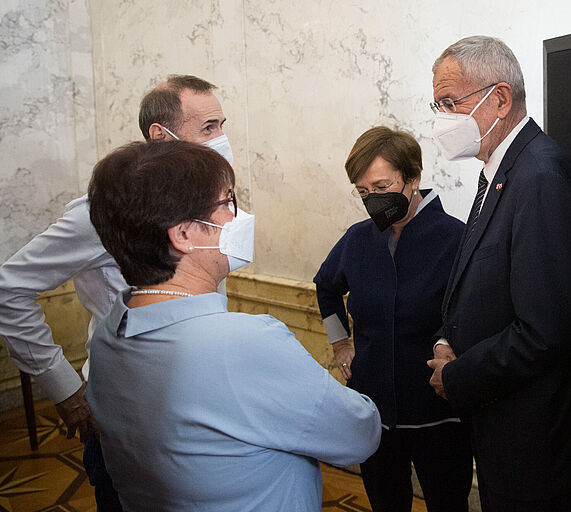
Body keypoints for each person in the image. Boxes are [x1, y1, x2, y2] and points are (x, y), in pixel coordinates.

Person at [84, 140, 381, 511]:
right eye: (227, 202)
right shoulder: (244, 343)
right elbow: (358, 434)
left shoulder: (110, 330)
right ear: (184, 234)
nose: (239, 215)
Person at [0, 74, 233, 511]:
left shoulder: (210, 200)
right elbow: (8, 289)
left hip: (199, 395)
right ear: (161, 136)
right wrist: (64, 387)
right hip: (127, 404)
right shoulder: (103, 210)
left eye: (222, 125)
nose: (221, 139)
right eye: (208, 128)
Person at [425, 36, 571, 511]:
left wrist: (459, 375)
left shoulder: (540, 176)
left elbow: (545, 330)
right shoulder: (501, 171)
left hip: (534, 440)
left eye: (449, 103)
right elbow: (482, 284)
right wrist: (445, 337)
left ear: (499, 99)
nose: (441, 118)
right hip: (504, 425)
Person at [314, 126, 473, 512]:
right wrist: (340, 344)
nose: (373, 200)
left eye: (382, 186)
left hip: (437, 412)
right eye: (364, 192)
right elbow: (326, 287)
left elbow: (470, 311)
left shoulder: (456, 239)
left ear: (413, 178)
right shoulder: (357, 240)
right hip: (375, 410)